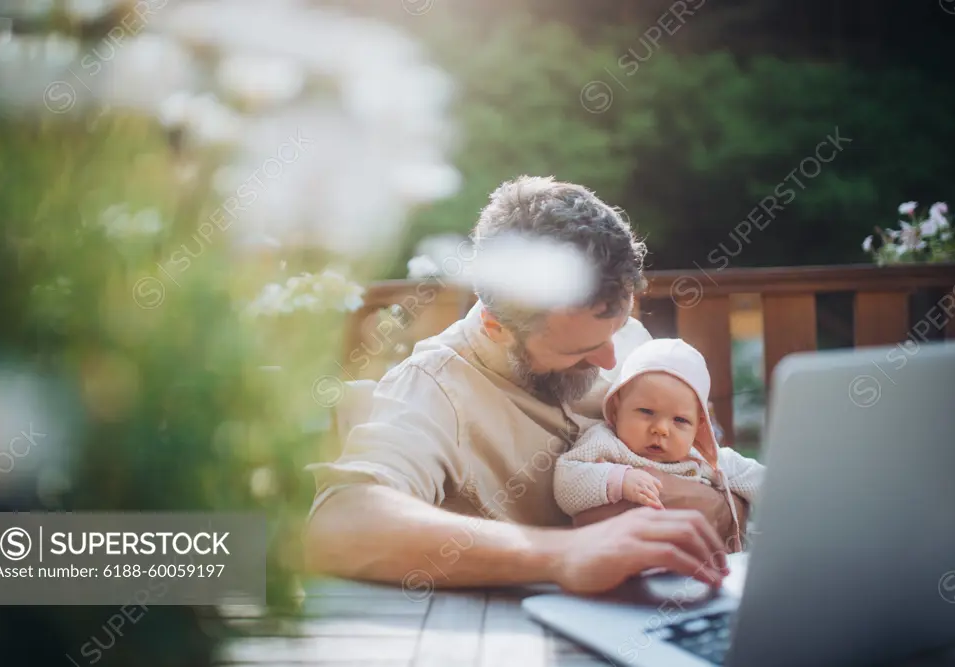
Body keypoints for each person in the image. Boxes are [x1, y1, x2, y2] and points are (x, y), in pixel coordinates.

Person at [303, 175, 744, 595]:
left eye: (619, 326)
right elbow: (338, 525)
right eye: (579, 350)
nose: (612, 358)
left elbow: (716, 469)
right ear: (497, 327)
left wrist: (724, 510)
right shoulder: (435, 387)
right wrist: (563, 554)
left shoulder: (626, 343)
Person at [553, 338, 765, 552]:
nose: (661, 429)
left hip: (698, 565)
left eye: (680, 420)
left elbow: (765, 483)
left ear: (699, 425)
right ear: (617, 409)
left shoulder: (706, 457)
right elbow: (565, 481)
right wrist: (619, 480)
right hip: (624, 561)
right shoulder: (606, 442)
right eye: (646, 412)